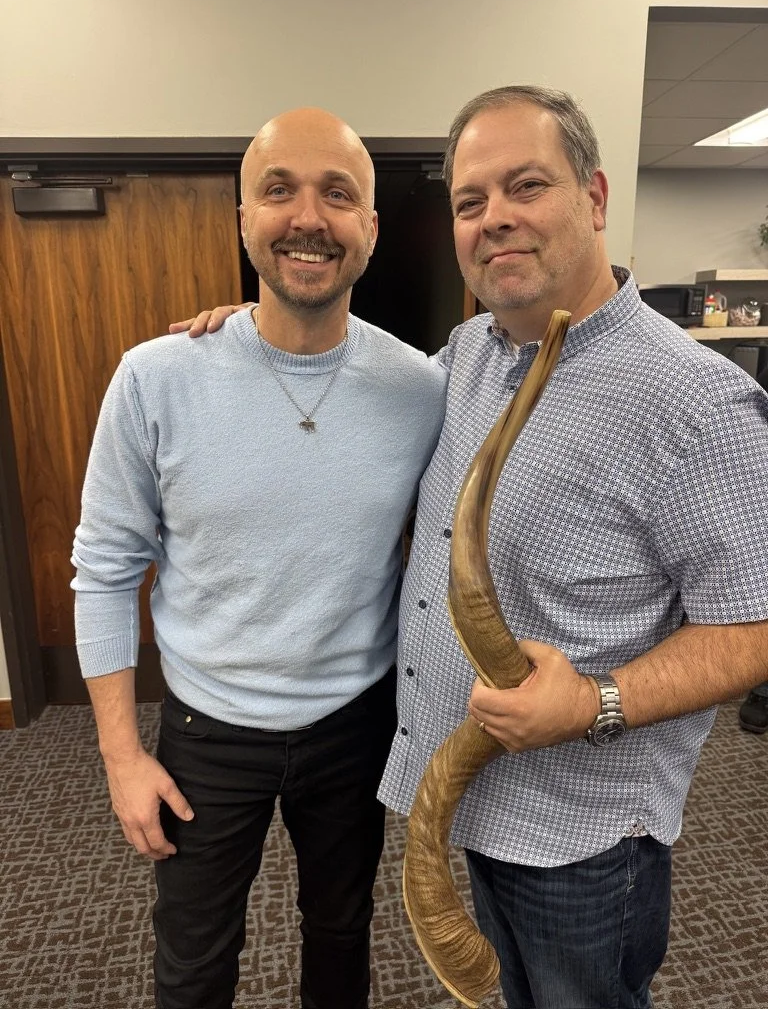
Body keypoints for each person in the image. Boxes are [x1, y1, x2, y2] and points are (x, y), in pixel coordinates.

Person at [182, 86, 768, 1009]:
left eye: (526, 186)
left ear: (596, 197)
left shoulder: (696, 402)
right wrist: (259, 328)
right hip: (465, 811)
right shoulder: (466, 356)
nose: (495, 218)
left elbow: (753, 628)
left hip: (582, 840)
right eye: (469, 201)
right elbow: (342, 371)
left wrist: (597, 700)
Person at [71, 107, 446, 1009]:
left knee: (341, 940)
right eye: (278, 190)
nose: (307, 217)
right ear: (243, 219)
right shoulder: (157, 377)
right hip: (206, 731)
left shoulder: (424, 390)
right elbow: (105, 571)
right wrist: (122, 756)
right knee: (194, 966)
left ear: (370, 229)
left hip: (356, 723)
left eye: (337, 194)